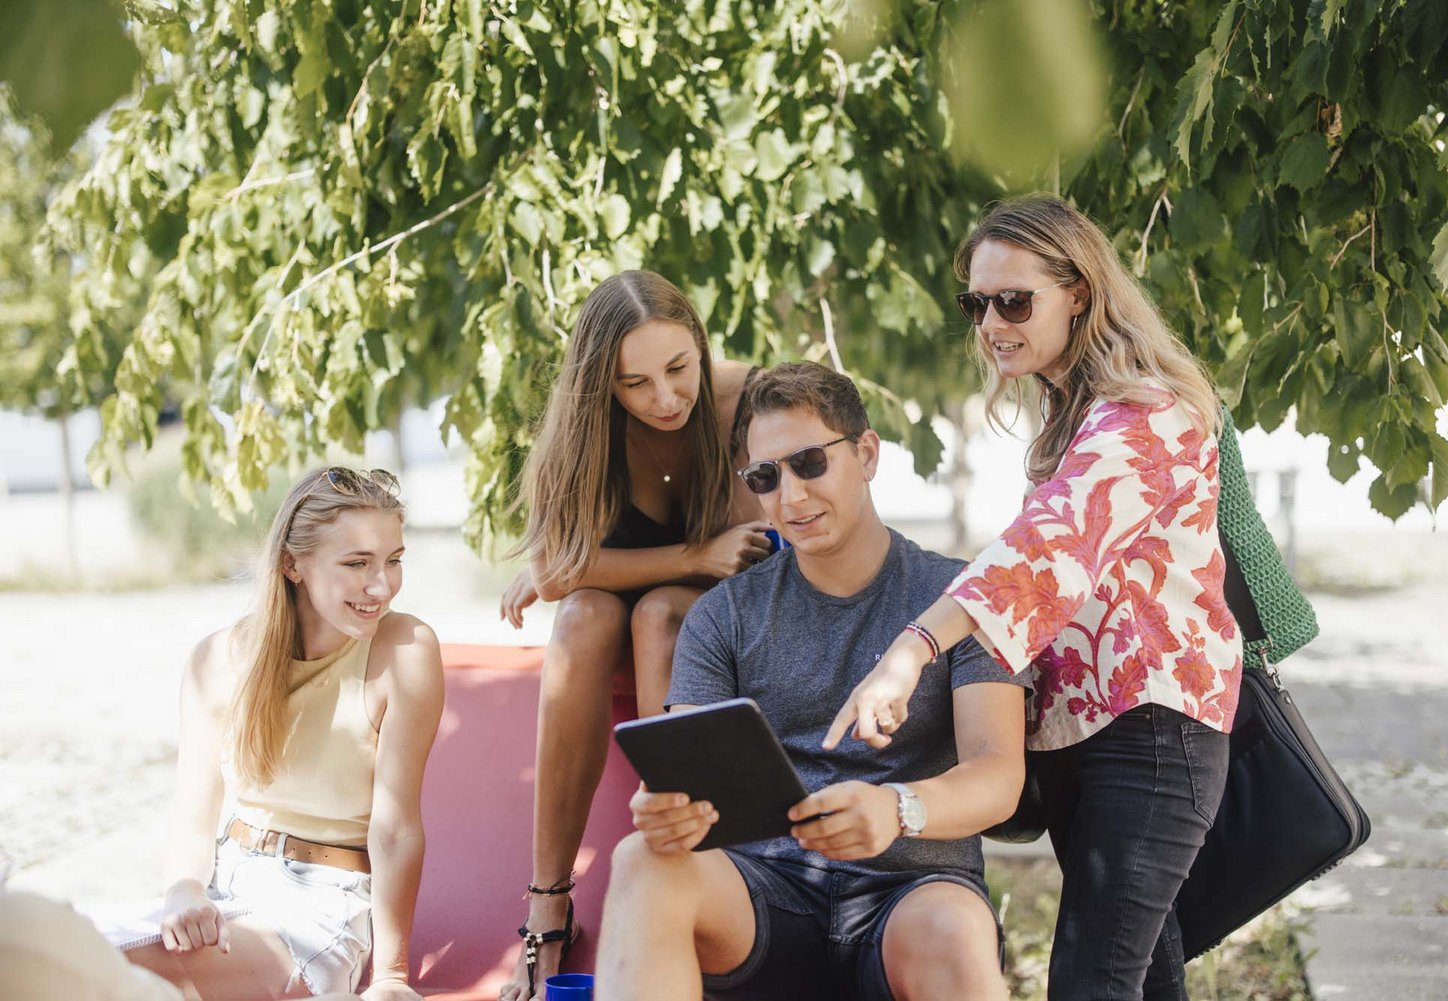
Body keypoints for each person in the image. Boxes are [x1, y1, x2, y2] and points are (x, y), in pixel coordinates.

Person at [831, 195, 1242, 1001]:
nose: (990, 323)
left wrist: (910, 650)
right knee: (1142, 980)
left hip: (1153, 734)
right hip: (1089, 740)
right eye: (977, 303)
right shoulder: (1075, 418)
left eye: (1013, 300)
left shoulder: (1148, 413)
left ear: (1080, 292)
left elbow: (1048, 549)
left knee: (1092, 982)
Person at [595, 361, 1028, 1001]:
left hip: (909, 891)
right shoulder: (725, 614)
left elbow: (999, 777)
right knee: (642, 860)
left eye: (809, 463)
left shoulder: (958, 597)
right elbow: (693, 778)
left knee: (956, 927)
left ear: (867, 454)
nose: (791, 497)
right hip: (764, 894)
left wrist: (897, 808)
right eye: (765, 477)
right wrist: (670, 812)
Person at [496, 270, 770, 1001]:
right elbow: (555, 567)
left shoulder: (745, 401)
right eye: (635, 383)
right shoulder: (586, 424)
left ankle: (679, 866)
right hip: (626, 607)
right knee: (584, 615)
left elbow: (761, 548)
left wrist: (661, 567)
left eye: (679, 368)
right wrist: (689, 554)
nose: (665, 397)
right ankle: (546, 902)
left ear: (701, 347)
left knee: (661, 615)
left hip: (715, 615)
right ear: (603, 385)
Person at [118, 467, 444, 1000]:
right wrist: (182, 891)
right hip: (226, 888)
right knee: (57, 951)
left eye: (394, 560)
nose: (381, 585)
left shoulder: (403, 649)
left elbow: (396, 829)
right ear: (293, 564)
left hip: (323, 902)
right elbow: (195, 819)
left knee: (115, 973)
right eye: (356, 563)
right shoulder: (217, 660)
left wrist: (391, 977)